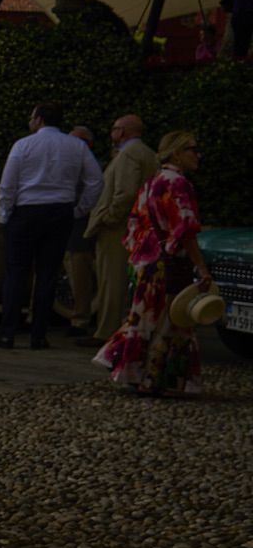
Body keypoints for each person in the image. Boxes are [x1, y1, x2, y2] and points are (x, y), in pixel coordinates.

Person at [94, 132, 214, 396]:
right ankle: (161, 380)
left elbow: (135, 224)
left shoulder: (153, 182)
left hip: (148, 260)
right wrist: (202, 267)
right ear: (177, 153)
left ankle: (137, 373)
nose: (198, 154)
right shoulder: (179, 184)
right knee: (172, 320)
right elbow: (186, 230)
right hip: (169, 262)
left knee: (148, 318)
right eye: (192, 149)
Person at [0, 101, 103, 350]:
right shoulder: (77, 146)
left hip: (26, 210)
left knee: (16, 272)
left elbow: (8, 184)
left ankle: (7, 332)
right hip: (60, 210)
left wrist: (5, 215)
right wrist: (79, 209)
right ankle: (39, 334)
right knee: (48, 273)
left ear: (38, 119)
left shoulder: (23, 145)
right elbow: (95, 180)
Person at [83, 114, 158, 344]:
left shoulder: (129, 154)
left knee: (111, 279)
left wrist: (109, 217)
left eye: (114, 128)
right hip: (138, 225)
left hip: (119, 227)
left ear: (122, 131)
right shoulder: (148, 153)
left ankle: (106, 331)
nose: (112, 133)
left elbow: (125, 192)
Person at [61, 126, 100, 336]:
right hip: (67, 221)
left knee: (79, 271)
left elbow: (94, 188)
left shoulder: (88, 166)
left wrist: (78, 211)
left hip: (79, 224)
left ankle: (80, 318)